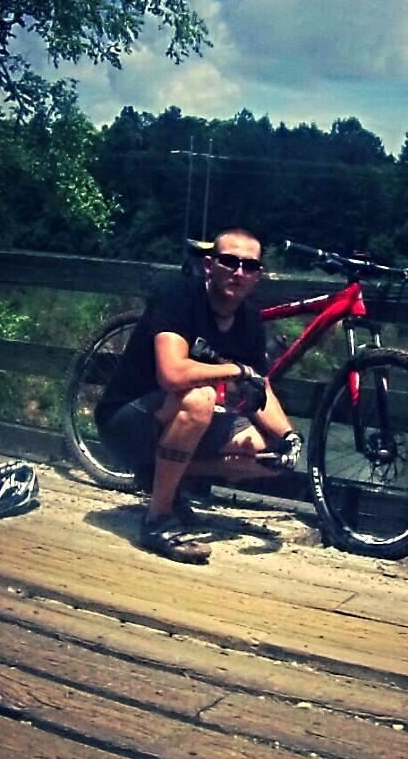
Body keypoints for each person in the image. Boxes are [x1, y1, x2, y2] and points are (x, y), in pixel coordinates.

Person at [95, 229, 303, 564]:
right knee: (200, 397)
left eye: (249, 266)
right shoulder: (178, 296)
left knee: (271, 454)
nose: (239, 272)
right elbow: (172, 374)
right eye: (229, 261)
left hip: (176, 426)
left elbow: (259, 386)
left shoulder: (250, 321)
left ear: (258, 275)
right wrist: (235, 370)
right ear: (209, 265)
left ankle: (158, 476)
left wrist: (290, 437)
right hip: (126, 422)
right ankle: (158, 519)